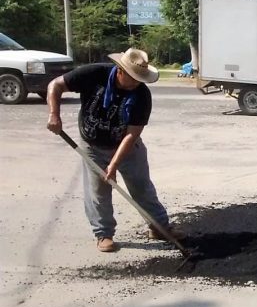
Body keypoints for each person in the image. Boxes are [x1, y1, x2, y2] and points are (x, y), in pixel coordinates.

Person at [46, 48, 185, 252]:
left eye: (141, 78)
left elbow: (132, 134)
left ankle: (159, 228)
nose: (137, 83)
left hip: (127, 147)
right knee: (98, 191)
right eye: (134, 78)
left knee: (141, 187)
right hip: (92, 145)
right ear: (120, 70)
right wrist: (54, 114)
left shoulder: (142, 95)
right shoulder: (93, 74)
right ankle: (103, 234)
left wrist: (114, 164)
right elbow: (55, 85)